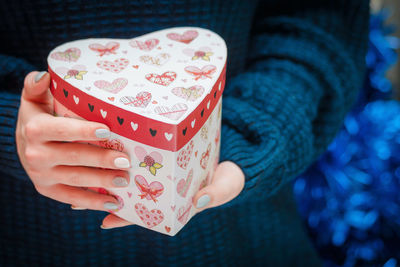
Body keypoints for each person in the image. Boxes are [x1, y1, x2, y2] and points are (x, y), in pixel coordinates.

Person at [0, 0, 369, 266]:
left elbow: (322, 19)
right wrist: (11, 121)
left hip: (247, 237)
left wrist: (253, 128)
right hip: (26, 238)